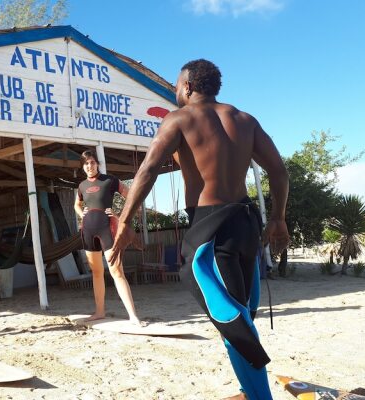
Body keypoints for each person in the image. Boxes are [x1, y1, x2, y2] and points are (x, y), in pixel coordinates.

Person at [109, 59, 289, 400]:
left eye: (178, 85)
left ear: (188, 86)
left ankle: (259, 396)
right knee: (242, 315)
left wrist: (125, 222)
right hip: (246, 224)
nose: (176, 91)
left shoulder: (179, 119)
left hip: (211, 229)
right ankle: (247, 389)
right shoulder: (244, 119)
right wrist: (278, 218)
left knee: (233, 323)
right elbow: (278, 172)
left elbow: (146, 171)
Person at [74, 150, 141, 325]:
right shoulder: (81, 186)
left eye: (92, 162)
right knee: (96, 272)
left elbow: (131, 196)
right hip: (88, 230)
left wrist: (119, 214)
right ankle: (99, 312)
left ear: (97, 164)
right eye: (86, 163)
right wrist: (82, 213)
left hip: (107, 229)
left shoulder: (110, 180)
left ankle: (133, 316)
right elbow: (76, 204)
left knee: (117, 272)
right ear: (83, 166)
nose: (90, 166)